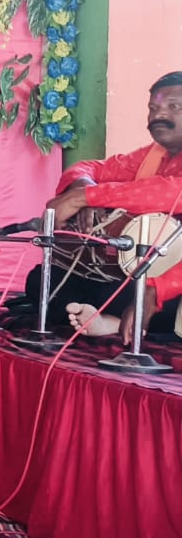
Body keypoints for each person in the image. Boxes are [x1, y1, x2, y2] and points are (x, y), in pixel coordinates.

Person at [39, 73, 182, 340]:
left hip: (172, 286)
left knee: (163, 306)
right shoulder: (152, 155)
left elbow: (169, 191)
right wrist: (82, 185)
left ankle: (117, 321)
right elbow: (88, 168)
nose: (159, 114)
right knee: (42, 281)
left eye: (174, 106)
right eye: (153, 108)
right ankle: (109, 318)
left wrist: (83, 198)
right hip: (141, 275)